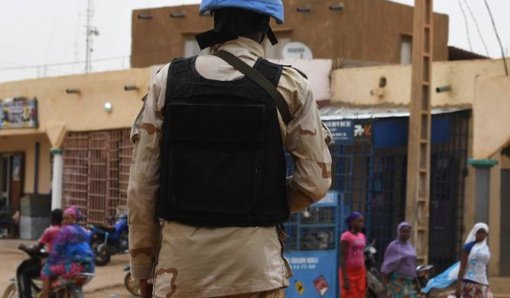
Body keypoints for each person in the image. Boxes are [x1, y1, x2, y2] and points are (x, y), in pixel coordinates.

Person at [127, 0, 333, 297]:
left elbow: (142, 187)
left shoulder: (167, 82)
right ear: (266, 25)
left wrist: (143, 271)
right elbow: (314, 183)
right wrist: (261, 199)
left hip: (180, 275)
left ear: (214, 18)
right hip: (256, 274)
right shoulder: (289, 87)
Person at [40, 207, 94, 298]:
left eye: (66, 219)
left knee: (45, 271)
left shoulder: (65, 231)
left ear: (74, 219)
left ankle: (45, 295)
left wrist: (49, 261)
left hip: (74, 267)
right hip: (90, 267)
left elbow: (56, 251)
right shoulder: (84, 231)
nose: (63, 222)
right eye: (63, 219)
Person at [16, 208, 63, 298]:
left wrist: (25, 248)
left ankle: (27, 296)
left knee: (26, 272)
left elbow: (37, 248)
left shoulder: (50, 231)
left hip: (52, 263)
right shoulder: (66, 232)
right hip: (64, 264)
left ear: (52, 219)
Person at [381, 221, 418, 298]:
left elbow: (412, 263)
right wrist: (385, 283)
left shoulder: (410, 246)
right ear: (398, 232)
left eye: (407, 232)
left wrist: (415, 278)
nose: (405, 234)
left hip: (409, 281)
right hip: (397, 280)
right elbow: (387, 265)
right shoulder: (393, 246)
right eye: (403, 231)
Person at [455, 222, 491, 298]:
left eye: (483, 232)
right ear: (475, 233)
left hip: (482, 282)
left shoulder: (485, 249)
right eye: (479, 232)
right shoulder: (468, 247)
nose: (481, 234)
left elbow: (483, 266)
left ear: (486, 235)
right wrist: (458, 286)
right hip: (469, 282)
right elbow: (462, 267)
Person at [339, 212, 367, 298]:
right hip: (349, 272)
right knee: (350, 295)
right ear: (352, 223)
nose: (361, 224)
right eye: (359, 221)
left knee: (360, 293)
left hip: (360, 271)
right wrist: (345, 278)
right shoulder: (346, 236)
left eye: (362, 222)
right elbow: (343, 257)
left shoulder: (362, 236)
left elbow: (362, 253)